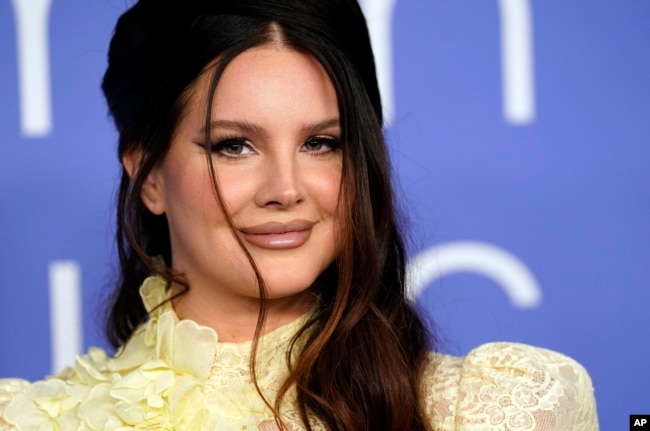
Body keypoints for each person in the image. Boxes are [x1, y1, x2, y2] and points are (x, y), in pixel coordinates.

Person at [0, 0, 599, 429]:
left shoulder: (501, 409)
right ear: (149, 175)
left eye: (322, 143)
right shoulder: (30, 420)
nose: (286, 189)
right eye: (234, 145)